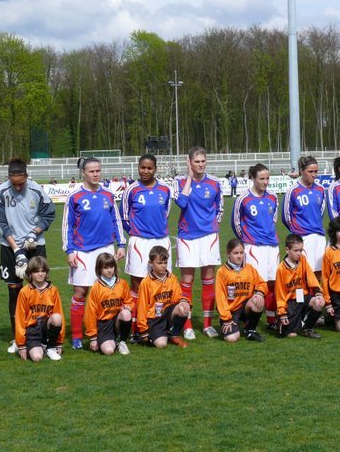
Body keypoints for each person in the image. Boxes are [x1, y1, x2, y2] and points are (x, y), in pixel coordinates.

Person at [0, 157, 56, 354]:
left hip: (35, 245)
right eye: (14, 184)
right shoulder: (1, 191)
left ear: (27, 177)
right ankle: (17, 336)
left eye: (21, 184)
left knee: (38, 290)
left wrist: (33, 232)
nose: (18, 188)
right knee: (14, 291)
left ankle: (41, 336)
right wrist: (16, 249)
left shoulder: (37, 190)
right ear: (8, 178)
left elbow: (49, 214)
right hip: (9, 246)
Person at [62, 157, 126, 350]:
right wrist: (70, 250)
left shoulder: (108, 194)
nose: (95, 174)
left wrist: (121, 243)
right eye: (91, 171)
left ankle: (108, 330)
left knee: (108, 291)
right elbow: (67, 225)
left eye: (98, 170)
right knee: (81, 293)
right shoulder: (74, 196)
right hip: (82, 251)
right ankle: (76, 336)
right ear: (83, 173)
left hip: (105, 249)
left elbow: (116, 220)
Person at [173, 147, 224, 340]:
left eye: (203, 161)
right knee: (186, 282)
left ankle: (207, 325)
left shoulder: (215, 183)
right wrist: (188, 177)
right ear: (190, 162)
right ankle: (186, 326)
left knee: (208, 280)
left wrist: (212, 225)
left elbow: (219, 208)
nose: (201, 165)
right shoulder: (179, 182)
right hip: (187, 236)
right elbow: (182, 203)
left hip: (209, 237)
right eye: (196, 161)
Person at [120, 154, 172, 340]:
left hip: (161, 240)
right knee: (137, 285)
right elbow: (124, 217)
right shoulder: (131, 190)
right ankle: (136, 328)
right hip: (139, 242)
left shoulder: (165, 189)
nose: (146, 171)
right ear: (138, 168)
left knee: (162, 284)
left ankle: (160, 325)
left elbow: (166, 212)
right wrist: (136, 232)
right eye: (142, 167)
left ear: (155, 169)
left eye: (149, 168)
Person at [231, 163, 279, 327]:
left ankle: (271, 319)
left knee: (272, 282)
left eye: (267, 178)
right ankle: (247, 320)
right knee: (255, 284)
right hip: (253, 247)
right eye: (262, 179)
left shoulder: (273, 197)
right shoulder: (243, 199)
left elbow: (274, 220)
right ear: (253, 178)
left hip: (272, 246)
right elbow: (235, 223)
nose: (265, 182)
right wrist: (247, 240)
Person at [137, 246, 190, 348]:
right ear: (151, 263)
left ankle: (174, 335)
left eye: (165, 262)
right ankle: (158, 335)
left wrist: (183, 301)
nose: (163, 266)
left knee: (184, 308)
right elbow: (142, 307)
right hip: (154, 319)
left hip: (168, 314)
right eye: (159, 263)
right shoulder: (146, 282)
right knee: (161, 344)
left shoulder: (172, 278)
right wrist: (143, 330)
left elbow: (178, 297)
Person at [282, 156, 326, 280]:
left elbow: (320, 211)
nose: (314, 175)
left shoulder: (321, 189)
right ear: (302, 171)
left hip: (319, 236)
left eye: (316, 171)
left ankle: (319, 297)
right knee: (304, 271)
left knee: (320, 271)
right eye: (310, 172)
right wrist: (297, 230)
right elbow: (286, 216)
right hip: (302, 237)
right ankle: (304, 298)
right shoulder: (293, 191)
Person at [215, 239, 267, 342]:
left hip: (245, 307)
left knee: (258, 301)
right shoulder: (222, 272)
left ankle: (250, 331)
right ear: (228, 254)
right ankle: (228, 323)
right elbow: (220, 297)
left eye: (241, 252)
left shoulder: (249, 268)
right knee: (232, 338)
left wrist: (260, 293)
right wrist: (226, 318)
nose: (239, 256)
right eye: (235, 253)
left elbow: (261, 283)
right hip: (230, 310)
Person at [14, 256, 65, 362]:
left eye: (43, 271)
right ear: (30, 273)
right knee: (37, 358)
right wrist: (21, 345)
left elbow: (59, 313)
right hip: (32, 330)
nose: (40, 274)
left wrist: (59, 342)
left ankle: (50, 347)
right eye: (36, 271)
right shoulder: (25, 291)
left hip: (46, 328)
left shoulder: (53, 290)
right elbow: (20, 318)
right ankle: (35, 346)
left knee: (57, 317)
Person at [274, 234, 325, 339]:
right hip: (290, 302)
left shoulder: (303, 260)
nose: (299, 253)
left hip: (303, 297)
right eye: (296, 250)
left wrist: (318, 293)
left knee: (319, 302)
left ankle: (307, 328)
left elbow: (311, 278)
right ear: (287, 250)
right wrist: (282, 312)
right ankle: (279, 320)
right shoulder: (281, 269)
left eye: (301, 250)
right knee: (292, 335)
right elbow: (280, 294)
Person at [84, 253, 133, 356]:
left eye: (111, 267)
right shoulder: (96, 287)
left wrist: (128, 306)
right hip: (103, 324)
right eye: (105, 268)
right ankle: (112, 340)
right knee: (109, 351)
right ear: (99, 269)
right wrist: (93, 337)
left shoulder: (122, 283)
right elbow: (90, 313)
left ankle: (122, 341)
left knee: (126, 314)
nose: (109, 270)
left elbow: (129, 301)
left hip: (117, 320)